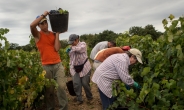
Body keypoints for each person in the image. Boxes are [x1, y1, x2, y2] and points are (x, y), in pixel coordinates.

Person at [30, 11, 68, 110]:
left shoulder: (53, 34)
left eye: (45, 22)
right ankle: (50, 108)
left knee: (61, 87)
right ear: (38, 25)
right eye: (41, 23)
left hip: (58, 64)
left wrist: (57, 34)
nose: (44, 24)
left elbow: (56, 48)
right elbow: (31, 25)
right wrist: (44, 14)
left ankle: (64, 108)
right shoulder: (37, 35)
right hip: (46, 66)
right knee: (49, 91)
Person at [66, 34, 93, 105]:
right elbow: (71, 58)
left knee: (85, 84)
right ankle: (79, 99)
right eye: (71, 42)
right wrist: (70, 66)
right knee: (76, 84)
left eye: (73, 42)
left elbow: (80, 50)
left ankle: (89, 97)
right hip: (75, 68)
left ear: (77, 39)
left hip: (85, 67)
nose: (72, 44)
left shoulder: (83, 44)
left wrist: (72, 48)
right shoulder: (71, 47)